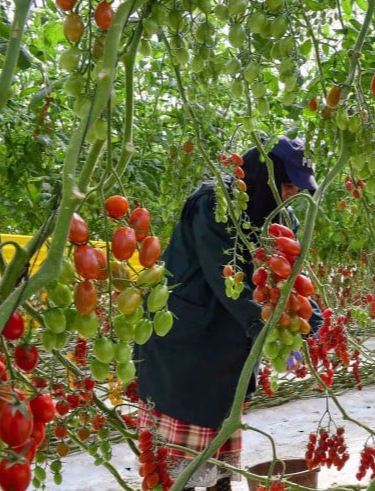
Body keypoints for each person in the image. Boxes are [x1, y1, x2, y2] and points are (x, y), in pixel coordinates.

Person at [133, 137, 320, 491]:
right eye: (286, 184)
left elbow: (291, 275)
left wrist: (310, 319)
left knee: (218, 446)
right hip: (186, 341)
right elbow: (224, 271)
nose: (292, 193)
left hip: (227, 347)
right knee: (179, 461)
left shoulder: (283, 214)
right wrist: (265, 327)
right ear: (263, 179)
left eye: (297, 187)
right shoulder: (216, 203)